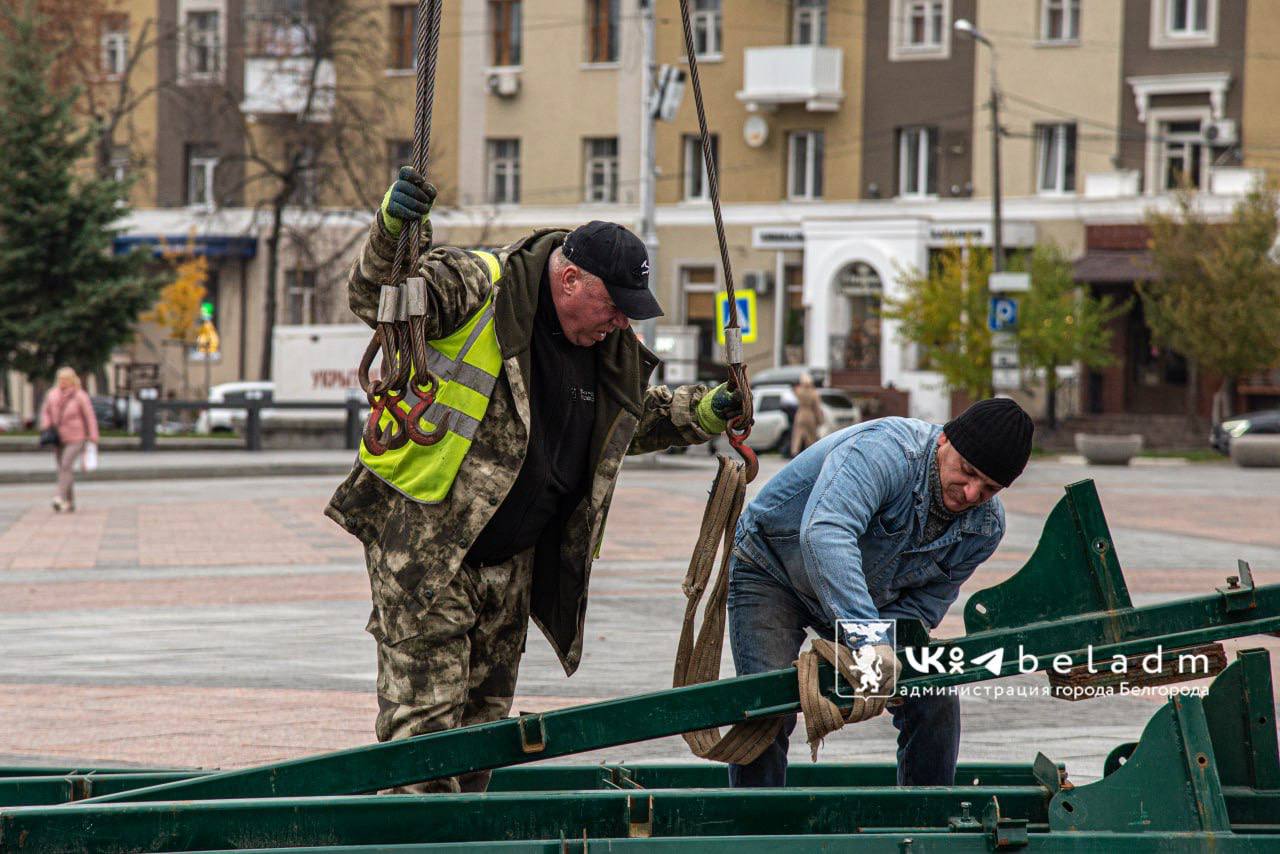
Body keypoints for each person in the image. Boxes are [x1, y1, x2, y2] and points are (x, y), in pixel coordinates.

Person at [325, 167, 742, 792]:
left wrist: (699, 412)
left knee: (481, 743)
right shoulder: (479, 284)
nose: (623, 324)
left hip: (512, 566)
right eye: (615, 307)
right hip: (431, 555)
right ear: (569, 279)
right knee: (426, 744)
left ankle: (462, 845)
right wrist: (391, 232)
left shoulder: (604, 343)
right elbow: (379, 300)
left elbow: (621, 425)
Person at [726, 398, 1033, 788]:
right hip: (771, 568)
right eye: (967, 472)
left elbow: (921, 607)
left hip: (861, 597)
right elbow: (825, 532)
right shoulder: (884, 452)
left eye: (989, 488)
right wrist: (868, 640)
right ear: (943, 440)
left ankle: (925, 824)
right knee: (767, 705)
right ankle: (754, 831)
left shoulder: (985, 527)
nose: (971, 493)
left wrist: (887, 665)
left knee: (933, 695)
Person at [39, 366, 99, 513]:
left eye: (65, 379)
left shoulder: (80, 396)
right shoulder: (52, 394)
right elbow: (45, 412)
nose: (62, 382)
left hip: (76, 436)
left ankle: (59, 497)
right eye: (60, 379)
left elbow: (89, 416)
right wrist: (46, 425)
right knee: (65, 470)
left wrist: (93, 435)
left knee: (66, 465)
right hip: (58, 437)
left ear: (72, 380)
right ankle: (70, 502)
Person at [789, 372, 824, 457]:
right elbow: (817, 408)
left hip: (800, 414)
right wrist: (820, 420)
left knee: (797, 434)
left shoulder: (799, 391)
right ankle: (811, 453)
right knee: (811, 436)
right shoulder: (814, 393)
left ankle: (794, 452)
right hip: (810, 415)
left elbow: (793, 390)